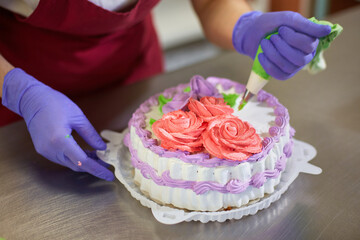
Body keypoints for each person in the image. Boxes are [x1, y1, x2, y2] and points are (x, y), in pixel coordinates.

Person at [0, 0, 331, 181]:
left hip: (136, 72)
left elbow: (211, 4)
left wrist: (243, 27)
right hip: (21, 84)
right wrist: (20, 93)